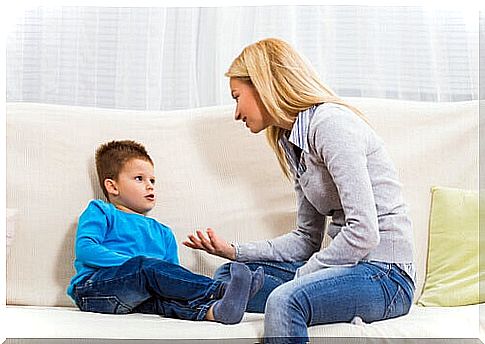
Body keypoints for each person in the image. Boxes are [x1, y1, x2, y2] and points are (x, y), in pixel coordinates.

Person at [183, 38, 416, 342]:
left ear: (264, 84)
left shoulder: (331, 125)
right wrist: (234, 251)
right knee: (229, 277)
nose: (236, 113)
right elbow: (306, 240)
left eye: (237, 96)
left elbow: (364, 231)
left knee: (284, 299)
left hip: (385, 276)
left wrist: (302, 278)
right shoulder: (292, 143)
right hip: (348, 270)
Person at [67, 140, 264, 324]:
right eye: (139, 178)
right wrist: (138, 265)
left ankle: (219, 311)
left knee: (167, 300)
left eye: (152, 180)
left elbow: (171, 278)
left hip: (137, 298)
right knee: (147, 267)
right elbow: (86, 249)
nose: (149, 185)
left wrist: (153, 272)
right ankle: (221, 289)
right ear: (112, 186)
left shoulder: (163, 233)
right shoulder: (102, 211)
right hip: (95, 290)